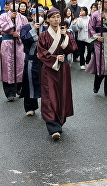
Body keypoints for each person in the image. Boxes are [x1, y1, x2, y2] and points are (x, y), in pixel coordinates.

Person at [37, 8, 77, 140]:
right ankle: (52, 126)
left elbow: (72, 49)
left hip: (63, 69)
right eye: (53, 17)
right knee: (49, 95)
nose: (56, 20)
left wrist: (65, 36)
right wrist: (54, 58)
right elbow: (41, 53)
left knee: (62, 94)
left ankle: (60, 120)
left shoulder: (66, 33)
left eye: (58, 17)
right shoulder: (43, 35)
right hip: (49, 69)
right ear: (48, 19)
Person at [86, 0, 107, 96]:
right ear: (101, 3)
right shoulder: (95, 14)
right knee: (101, 62)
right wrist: (96, 37)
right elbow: (90, 27)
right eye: (106, 2)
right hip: (100, 40)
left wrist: (106, 18)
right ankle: (97, 84)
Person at [0, 0, 27, 101]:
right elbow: (2, 28)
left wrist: (18, 34)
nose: (15, 5)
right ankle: (9, 92)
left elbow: (25, 31)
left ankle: (18, 87)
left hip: (19, 44)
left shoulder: (23, 18)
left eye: (17, 3)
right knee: (7, 67)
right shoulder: (3, 16)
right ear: (8, 5)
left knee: (20, 66)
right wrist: (10, 19)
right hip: (7, 44)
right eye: (12, 3)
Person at [20, 8, 46, 116]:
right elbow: (24, 39)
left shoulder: (46, 28)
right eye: (36, 15)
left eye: (41, 14)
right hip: (30, 60)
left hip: (44, 61)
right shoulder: (25, 28)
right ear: (32, 16)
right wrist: (34, 30)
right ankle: (30, 107)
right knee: (30, 83)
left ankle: (47, 108)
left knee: (45, 84)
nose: (39, 16)